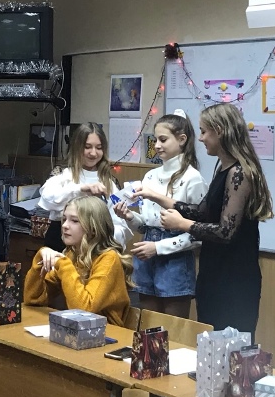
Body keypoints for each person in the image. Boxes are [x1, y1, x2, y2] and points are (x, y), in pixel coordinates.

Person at [159, 103, 273, 338]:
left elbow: (225, 231)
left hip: (234, 280)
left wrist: (182, 224)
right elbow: (203, 212)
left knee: (231, 348)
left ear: (219, 131)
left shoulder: (240, 172)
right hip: (213, 273)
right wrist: (158, 198)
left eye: (203, 131)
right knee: (210, 343)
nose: (200, 138)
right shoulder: (223, 167)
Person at [114, 110, 207, 318]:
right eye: (155, 139)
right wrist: (129, 217)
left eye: (163, 140)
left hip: (175, 261)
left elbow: (198, 234)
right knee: (148, 325)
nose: (156, 145)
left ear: (182, 139)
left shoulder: (192, 178)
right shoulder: (150, 176)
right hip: (146, 256)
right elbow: (146, 225)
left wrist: (158, 247)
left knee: (172, 328)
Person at [24, 196, 133, 326]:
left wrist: (63, 264)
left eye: (74, 221)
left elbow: (84, 310)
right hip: (76, 330)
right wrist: (41, 257)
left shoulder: (109, 258)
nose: (65, 225)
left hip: (108, 332)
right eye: (64, 219)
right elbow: (33, 299)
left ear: (93, 228)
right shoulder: (72, 254)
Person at [37, 122, 131, 252]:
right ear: (77, 146)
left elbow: (119, 224)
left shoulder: (109, 181)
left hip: (95, 246)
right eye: (87, 147)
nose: (93, 153)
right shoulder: (63, 173)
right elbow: (47, 199)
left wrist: (104, 240)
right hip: (61, 241)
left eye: (99, 148)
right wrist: (81, 189)